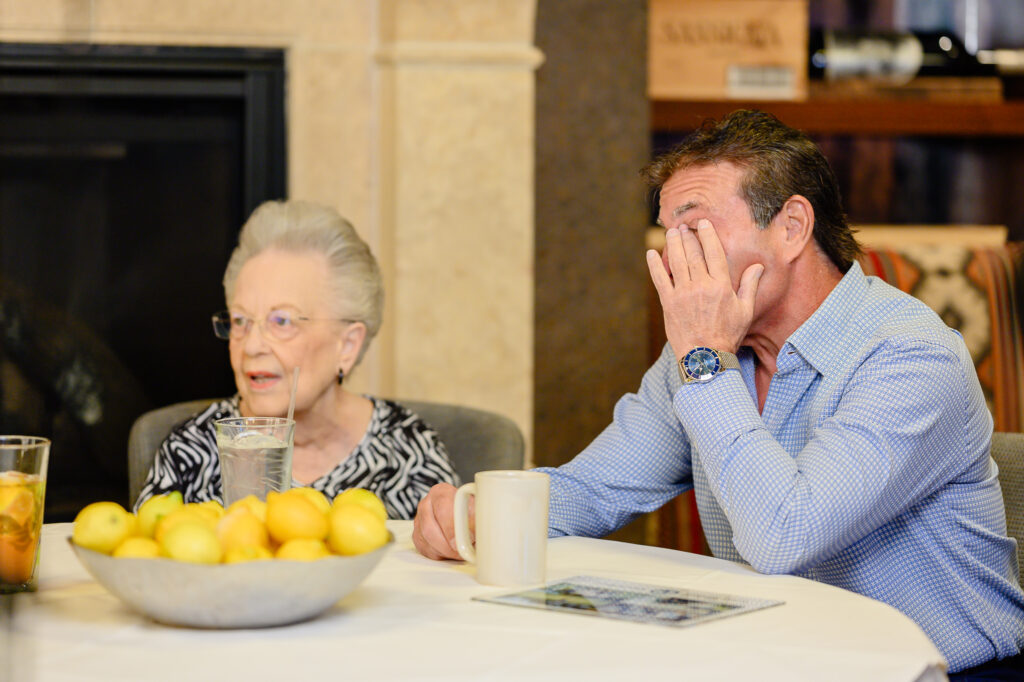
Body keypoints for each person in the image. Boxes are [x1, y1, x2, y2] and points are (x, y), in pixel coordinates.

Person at [413, 110, 1024, 674]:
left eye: (696, 228)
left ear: (791, 227)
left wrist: (705, 358)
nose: (673, 256)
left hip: (947, 670)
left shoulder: (909, 357)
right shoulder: (702, 353)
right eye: (666, 233)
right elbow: (595, 490)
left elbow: (786, 534)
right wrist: (473, 516)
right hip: (783, 661)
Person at [136, 200, 459, 519]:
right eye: (240, 321)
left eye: (282, 321)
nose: (252, 346)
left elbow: (448, 562)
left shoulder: (409, 451)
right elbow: (145, 561)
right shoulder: (190, 451)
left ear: (347, 345)